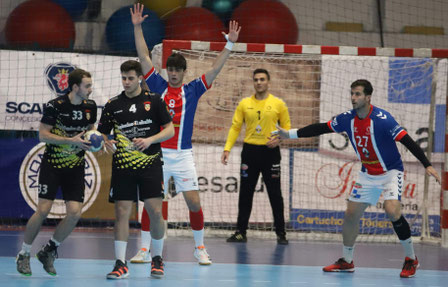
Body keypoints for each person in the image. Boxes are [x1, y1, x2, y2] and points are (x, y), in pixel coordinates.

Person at [274, 79, 441, 278]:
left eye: (358, 94)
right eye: (352, 94)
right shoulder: (347, 119)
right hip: (368, 173)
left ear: (368, 97)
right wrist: (289, 134)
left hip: (390, 172)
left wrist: (427, 164)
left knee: (392, 210)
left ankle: (411, 259)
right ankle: (346, 260)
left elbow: (407, 140)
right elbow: (321, 128)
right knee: (351, 214)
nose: (353, 98)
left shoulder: (383, 119)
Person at [129, 3, 241, 265]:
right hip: (157, 154)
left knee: (193, 202)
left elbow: (214, 70)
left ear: (184, 72)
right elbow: (144, 56)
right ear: (168, 71)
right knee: (151, 204)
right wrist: (137, 27)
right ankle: (144, 250)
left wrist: (230, 45)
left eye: (179, 70)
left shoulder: (192, 90)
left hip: (182, 155)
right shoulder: (157, 84)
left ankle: (199, 248)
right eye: (172, 70)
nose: (176, 74)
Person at [16, 69, 97, 276]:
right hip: (52, 164)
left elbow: (91, 130)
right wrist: (70, 141)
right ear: (75, 87)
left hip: (76, 166)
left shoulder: (90, 107)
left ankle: (49, 250)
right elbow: (42, 135)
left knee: (74, 213)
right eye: (87, 85)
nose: (90, 89)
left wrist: (98, 141)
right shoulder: (56, 106)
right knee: (43, 210)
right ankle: (24, 254)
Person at [97, 60, 174, 279]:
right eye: (123, 78)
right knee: (121, 213)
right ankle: (120, 263)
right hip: (123, 166)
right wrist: (105, 141)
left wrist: (150, 140)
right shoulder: (113, 105)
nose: (127, 82)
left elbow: (169, 130)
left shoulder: (155, 101)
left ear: (140, 77)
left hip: (150, 164)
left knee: (155, 211)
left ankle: (157, 258)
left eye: (131, 78)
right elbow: (103, 133)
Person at [221, 68, 291, 245]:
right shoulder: (245, 103)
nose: (259, 82)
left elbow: (287, 128)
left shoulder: (278, 104)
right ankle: (240, 232)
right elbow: (235, 127)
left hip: (271, 153)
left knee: (275, 194)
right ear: (253, 82)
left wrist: (279, 140)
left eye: (262, 79)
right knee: (245, 193)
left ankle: (281, 233)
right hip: (250, 152)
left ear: (268, 82)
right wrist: (227, 149)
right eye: (256, 80)